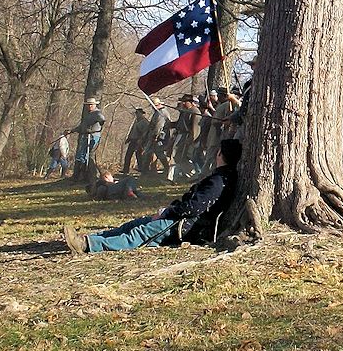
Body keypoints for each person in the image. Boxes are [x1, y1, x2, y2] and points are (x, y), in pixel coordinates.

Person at [63, 139, 242, 253]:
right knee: (133, 224)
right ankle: (90, 237)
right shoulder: (221, 178)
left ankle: (87, 246)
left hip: (187, 226)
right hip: (184, 221)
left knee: (138, 234)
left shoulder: (219, 181)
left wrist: (168, 212)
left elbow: (193, 207)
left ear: (221, 155)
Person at [68, 97, 106, 182]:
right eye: (88, 105)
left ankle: (89, 175)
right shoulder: (88, 115)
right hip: (85, 136)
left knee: (89, 155)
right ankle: (79, 175)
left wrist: (100, 122)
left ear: (94, 105)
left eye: (91, 105)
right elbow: (82, 126)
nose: (89, 106)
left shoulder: (97, 113)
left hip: (93, 136)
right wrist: (72, 130)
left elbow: (102, 118)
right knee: (81, 155)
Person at [142, 98, 172, 174]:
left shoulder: (162, 113)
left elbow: (158, 126)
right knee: (149, 152)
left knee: (159, 152)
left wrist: (155, 136)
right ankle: (146, 170)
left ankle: (167, 168)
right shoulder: (157, 112)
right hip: (155, 136)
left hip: (160, 137)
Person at [122, 108, 150, 175]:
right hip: (133, 140)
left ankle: (142, 169)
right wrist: (128, 138)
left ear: (141, 113)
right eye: (136, 113)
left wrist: (141, 140)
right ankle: (125, 170)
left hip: (139, 141)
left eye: (138, 113)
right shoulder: (136, 121)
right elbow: (132, 131)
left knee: (139, 155)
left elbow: (145, 133)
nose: (137, 114)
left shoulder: (144, 122)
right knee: (128, 155)